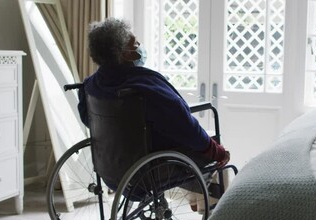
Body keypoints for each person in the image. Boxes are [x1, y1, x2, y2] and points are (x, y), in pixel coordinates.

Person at [77, 18, 230, 209]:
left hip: (111, 166)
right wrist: (216, 150)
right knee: (215, 157)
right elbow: (184, 125)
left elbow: (89, 121)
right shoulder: (145, 85)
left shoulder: (90, 85)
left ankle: (196, 200)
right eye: (135, 44)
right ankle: (211, 214)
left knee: (188, 144)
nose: (140, 47)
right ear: (125, 53)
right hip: (147, 170)